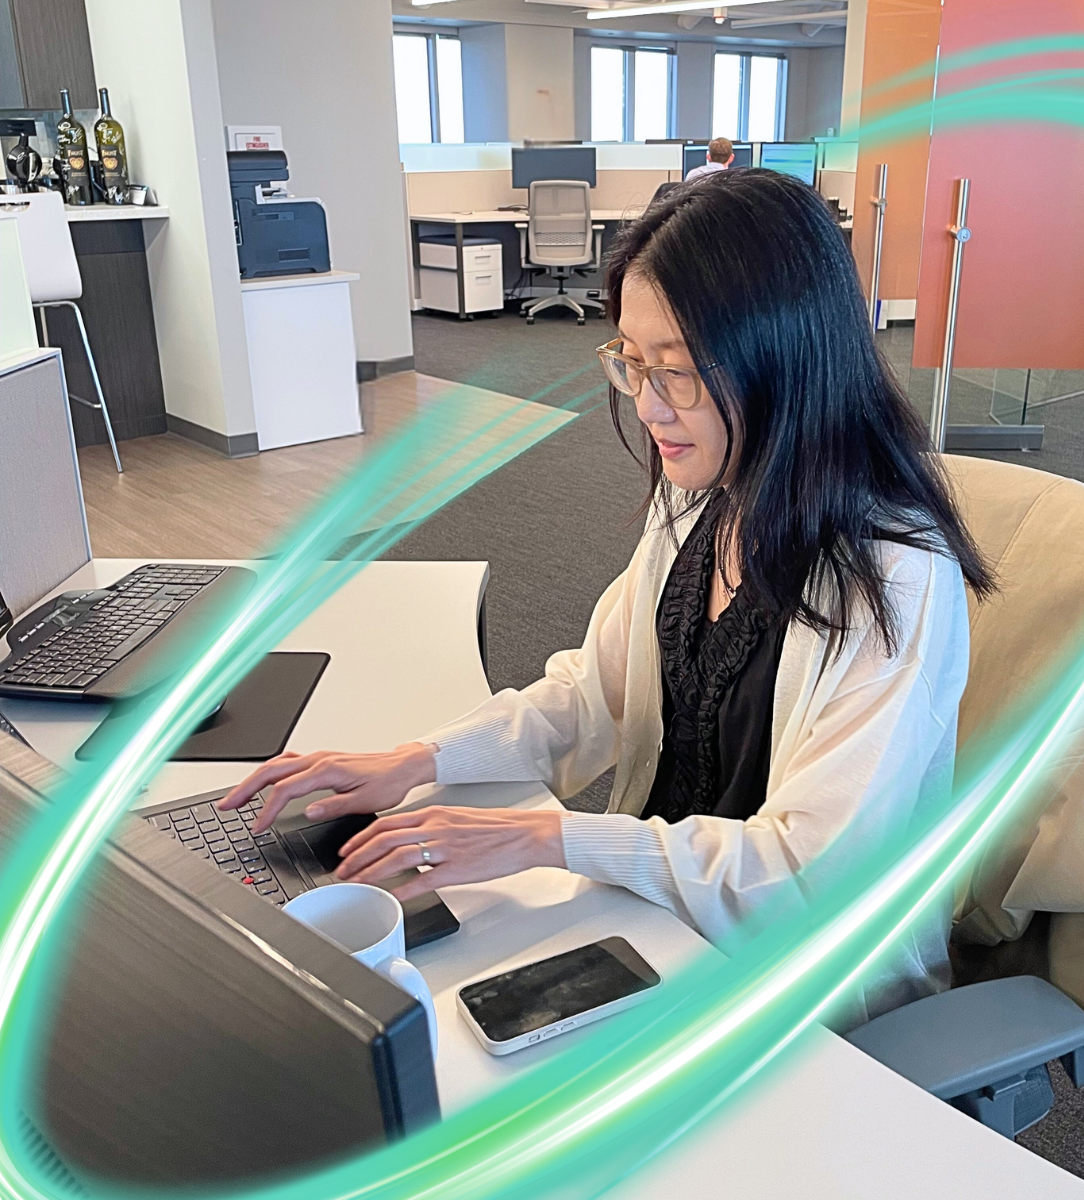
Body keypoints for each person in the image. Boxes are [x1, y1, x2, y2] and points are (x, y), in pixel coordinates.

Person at [220, 170, 994, 1024]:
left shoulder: (894, 576)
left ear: (788, 359)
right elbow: (592, 696)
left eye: (680, 371)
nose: (650, 405)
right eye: (631, 360)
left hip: (800, 984)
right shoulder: (705, 485)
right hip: (660, 921)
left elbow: (807, 877)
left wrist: (547, 837)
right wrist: (414, 762)